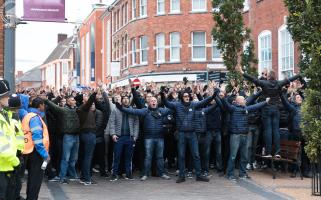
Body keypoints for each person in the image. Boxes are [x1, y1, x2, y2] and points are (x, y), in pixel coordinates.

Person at [160, 87, 219, 183]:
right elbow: (167, 103)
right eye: (185, 96)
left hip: (192, 134)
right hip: (181, 134)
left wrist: (213, 95)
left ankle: (199, 175)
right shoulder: (177, 105)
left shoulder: (193, 104)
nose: (187, 97)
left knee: (196, 155)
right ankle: (182, 176)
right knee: (181, 155)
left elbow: (204, 102)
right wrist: (163, 95)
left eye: (188, 96)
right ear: (181, 97)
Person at [240, 68, 301, 158]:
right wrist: (298, 75)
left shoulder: (265, 83)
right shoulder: (278, 83)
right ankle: (278, 152)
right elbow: (289, 79)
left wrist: (243, 73)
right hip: (276, 109)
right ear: (275, 76)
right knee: (275, 130)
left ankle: (268, 152)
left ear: (268, 77)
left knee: (268, 130)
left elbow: (254, 79)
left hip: (267, 109)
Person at [116, 96, 171, 181]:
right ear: (149, 103)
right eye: (152, 101)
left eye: (155, 101)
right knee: (148, 157)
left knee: (160, 157)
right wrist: (121, 108)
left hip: (160, 137)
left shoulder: (161, 111)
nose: (153, 102)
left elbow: (172, 108)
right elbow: (133, 111)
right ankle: (145, 174)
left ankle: (162, 173)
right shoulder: (145, 110)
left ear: (157, 102)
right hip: (148, 138)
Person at [222, 95, 270, 181]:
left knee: (244, 156)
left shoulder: (245, 109)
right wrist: (222, 98)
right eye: (243, 99)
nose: (245, 100)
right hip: (235, 135)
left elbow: (255, 106)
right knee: (233, 156)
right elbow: (226, 105)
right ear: (238, 101)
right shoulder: (233, 108)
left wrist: (265, 102)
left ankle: (242, 173)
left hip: (244, 135)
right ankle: (230, 174)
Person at [43, 95, 80, 184]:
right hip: (68, 137)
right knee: (65, 158)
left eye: (74, 99)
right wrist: (46, 100)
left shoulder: (77, 110)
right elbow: (53, 106)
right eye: (72, 100)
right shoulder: (64, 110)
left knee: (74, 158)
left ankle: (72, 175)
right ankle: (62, 177)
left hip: (76, 136)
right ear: (68, 102)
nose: (74, 101)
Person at [21, 97, 50, 200]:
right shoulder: (35, 118)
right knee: (35, 181)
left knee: (32, 179)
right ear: (40, 106)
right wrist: (45, 154)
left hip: (28, 151)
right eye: (43, 105)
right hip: (36, 153)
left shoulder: (28, 115)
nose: (44, 107)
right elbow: (37, 138)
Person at [109, 94, 139, 181]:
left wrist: (135, 136)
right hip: (119, 137)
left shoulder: (133, 111)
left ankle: (128, 174)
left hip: (130, 137)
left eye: (127, 99)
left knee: (128, 157)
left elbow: (136, 124)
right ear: (121, 100)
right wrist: (113, 134)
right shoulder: (115, 110)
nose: (125, 100)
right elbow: (112, 122)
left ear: (129, 100)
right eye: (124, 99)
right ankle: (114, 174)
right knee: (117, 157)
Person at [0, 80, 20, 200]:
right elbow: (2, 146)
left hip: (7, 166)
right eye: (5, 95)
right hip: (3, 167)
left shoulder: (4, 115)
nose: (8, 98)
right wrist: (15, 161)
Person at [77, 91, 98, 185]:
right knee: (88, 157)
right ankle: (86, 178)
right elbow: (90, 101)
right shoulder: (83, 108)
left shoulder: (86, 109)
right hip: (88, 134)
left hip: (87, 134)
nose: (87, 97)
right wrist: (94, 93)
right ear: (82, 100)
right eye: (85, 96)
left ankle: (83, 177)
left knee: (86, 157)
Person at [8, 94, 25, 200]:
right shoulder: (14, 117)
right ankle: (15, 196)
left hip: (14, 151)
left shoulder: (10, 115)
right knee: (16, 179)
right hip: (16, 153)